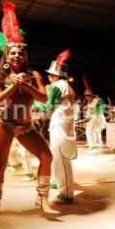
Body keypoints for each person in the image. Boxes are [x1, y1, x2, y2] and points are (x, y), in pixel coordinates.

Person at [0, 1, 58, 220]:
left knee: (46, 156)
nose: (17, 56)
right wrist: (13, 85)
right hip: (5, 125)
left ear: (24, 56)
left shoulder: (35, 75)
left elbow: (44, 97)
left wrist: (27, 85)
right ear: (6, 57)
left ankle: (42, 198)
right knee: (0, 163)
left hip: (26, 126)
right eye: (13, 53)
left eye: (20, 52)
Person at [34, 49, 77, 204]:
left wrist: (34, 98)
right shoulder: (65, 86)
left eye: (50, 74)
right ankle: (56, 181)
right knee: (56, 155)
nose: (48, 77)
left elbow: (47, 106)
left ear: (55, 75)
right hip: (61, 123)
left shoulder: (59, 85)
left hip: (60, 125)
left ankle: (67, 193)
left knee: (61, 157)